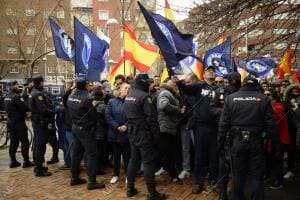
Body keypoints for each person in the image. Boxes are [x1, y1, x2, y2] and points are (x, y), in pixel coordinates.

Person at [218, 77, 278, 200]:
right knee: (257, 175)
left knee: (238, 174)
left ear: (243, 84)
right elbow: (270, 124)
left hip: (237, 142)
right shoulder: (263, 99)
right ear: (256, 85)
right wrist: (276, 144)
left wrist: (220, 145)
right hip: (256, 141)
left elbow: (223, 124)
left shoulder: (230, 98)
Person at [176, 66, 218, 194]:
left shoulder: (219, 89)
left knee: (213, 156)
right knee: (200, 156)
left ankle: (213, 181)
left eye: (213, 70)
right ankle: (199, 182)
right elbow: (184, 88)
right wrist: (178, 79)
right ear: (203, 74)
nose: (211, 72)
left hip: (215, 127)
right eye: (208, 70)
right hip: (201, 127)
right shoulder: (199, 87)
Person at [124, 74, 166, 200]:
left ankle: (130, 188)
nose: (150, 84)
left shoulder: (129, 95)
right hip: (143, 134)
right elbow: (152, 119)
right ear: (143, 82)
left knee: (133, 160)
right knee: (148, 163)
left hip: (132, 132)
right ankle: (152, 193)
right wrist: (157, 136)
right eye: (148, 82)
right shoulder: (145, 97)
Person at [67, 78, 105, 190]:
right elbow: (94, 115)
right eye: (88, 84)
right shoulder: (87, 98)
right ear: (85, 85)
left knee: (77, 153)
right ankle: (92, 181)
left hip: (75, 126)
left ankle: (74, 177)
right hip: (85, 129)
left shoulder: (71, 96)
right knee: (92, 154)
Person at [213, 72, 242, 200]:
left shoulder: (243, 92)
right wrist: (225, 112)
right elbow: (212, 107)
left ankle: (237, 192)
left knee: (239, 164)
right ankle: (222, 192)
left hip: (239, 131)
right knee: (223, 163)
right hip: (223, 129)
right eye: (232, 80)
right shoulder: (220, 92)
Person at [156, 80, 182, 184]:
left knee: (168, 153)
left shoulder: (169, 93)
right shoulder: (166, 92)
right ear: (170, 85)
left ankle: (172, 174)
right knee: (165, 153)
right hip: (165, 128)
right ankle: (172, 175)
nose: (176, 85)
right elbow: (163, 105)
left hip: (169, 128)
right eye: (175, 84)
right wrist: (178, 109)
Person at [4, 81, 34, 168]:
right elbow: (25, 108)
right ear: (13, 86)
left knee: (13, 142)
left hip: (10, 122)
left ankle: (13, 161)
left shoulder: (7, 96)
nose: (18, 87)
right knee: (25, 142)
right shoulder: (17, 97)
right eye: (17, 86)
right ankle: (26, 161)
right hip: (19, 123)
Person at [105, 83, 131, 184]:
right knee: (116, 156)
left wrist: (126, 126)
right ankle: (116, 174)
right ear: (120, 89)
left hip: (127, 133)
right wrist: (117, 126)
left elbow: (133, 116)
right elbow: (108, 116)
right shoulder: (112, 101)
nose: (127, 90)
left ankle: (128, 175)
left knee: (127, 157)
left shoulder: (130, 102)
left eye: (129, 88)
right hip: (114, 133)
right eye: (125, 88)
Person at [264, 89, 289, 189]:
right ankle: (271, 177)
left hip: (279, 139)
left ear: (273, 95)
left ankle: (278, 181)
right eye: (264, 94)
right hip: (269, 139)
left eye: (268, 94)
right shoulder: (267, 105)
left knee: (277, 160)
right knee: (269, 159)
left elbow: (275, 117)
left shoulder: (278, 106)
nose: (266, 96)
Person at [29, 76, 53, 176]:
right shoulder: (38, 94)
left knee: (39, 145)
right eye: (43, 82)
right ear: (41, 83)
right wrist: (52, 112)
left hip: (37, 121)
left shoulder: (32, 92)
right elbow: (42, 110)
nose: (44, 84)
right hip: (40, 123)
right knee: (40, 146)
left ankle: (39, 166)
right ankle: (39, 169)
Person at [178, 73, 197, 180]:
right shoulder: (183, 93)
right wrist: (180, 110)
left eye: (188, 82)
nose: (187, 84)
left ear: (194, 80)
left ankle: (201, 169)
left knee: (198, 148)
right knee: (185, 148)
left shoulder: (199, 92)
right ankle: (186, 169)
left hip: (195, 125)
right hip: (185, 123)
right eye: (185, 82)